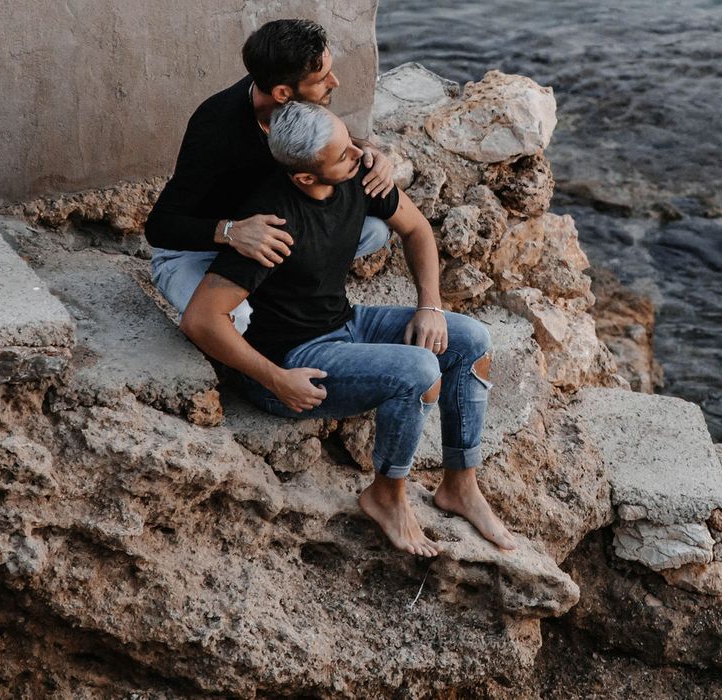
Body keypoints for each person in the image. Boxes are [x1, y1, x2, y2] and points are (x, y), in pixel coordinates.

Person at [180, 101, 517, 557]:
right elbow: (201, 318)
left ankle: (459, 485)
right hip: (293, 363)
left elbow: (417, 229)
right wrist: (275, 379)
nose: (359, 157)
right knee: (419, 371)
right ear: (305, 178)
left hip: (345, 324)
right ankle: (386, 496)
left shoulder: (361, 174)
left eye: (351, 144)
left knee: (472, 340)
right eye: (345, 155)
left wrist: (431, 305)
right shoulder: (274, 222)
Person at [144, 19, 394, 330]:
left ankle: (276, 289)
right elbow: (159, 227)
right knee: (237, 319)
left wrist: (370, 150)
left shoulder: (296, 107)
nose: (335, 82)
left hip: (265, 239)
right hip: (199, 251)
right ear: (282, 92)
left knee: (374, 231)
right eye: (321, 78)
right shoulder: (216, 129)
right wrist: (231, 231)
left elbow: (325, 144)